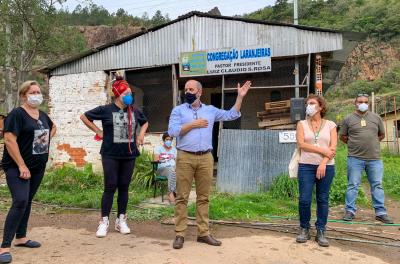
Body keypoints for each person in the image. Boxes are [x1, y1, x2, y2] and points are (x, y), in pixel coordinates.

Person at [168, 79, 251, 249]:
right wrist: (192, 124)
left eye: (191, 89)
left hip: (206, 157)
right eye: (186, 89)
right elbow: (173, 131)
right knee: (182, 197)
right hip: (185, 157)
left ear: (199, 92)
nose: (188, 92)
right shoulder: (178, 110)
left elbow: (231, 115)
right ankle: (180, 234)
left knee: (203, 197)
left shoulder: (210, 110)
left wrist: (240, 97)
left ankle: (203, 233)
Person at [80, 76, 149, 238]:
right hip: (110, 154)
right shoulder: (105, 110)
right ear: (118, 94)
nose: (130, 96)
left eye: (130, 93)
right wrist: (98, 131)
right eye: (127, 93)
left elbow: (145, 122)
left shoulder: (134, 110)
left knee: (124, 187)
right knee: (110, 186)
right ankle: (104, 221)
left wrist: (140, 135)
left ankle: (121, 220)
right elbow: (84, 117)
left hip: (129, 154)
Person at [0, 81, 56, 264]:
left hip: (37, 167)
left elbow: (52, 127)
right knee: (20, 201)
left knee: (28, 201)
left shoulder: (42, 115)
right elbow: (9, 140)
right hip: (17, 166)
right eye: (33, 92)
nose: (37, 95)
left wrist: (43, 141)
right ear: (24, 95)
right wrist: (22, 165)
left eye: (39, 92)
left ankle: (21, 237)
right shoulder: (17, 114)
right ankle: (4, 247)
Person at [340, 94, 393, 224]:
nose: (363, 104)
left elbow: (381, 135)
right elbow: (342, 136)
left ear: (368, 103)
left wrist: (371, 143)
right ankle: (350, 211)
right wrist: (354, 144)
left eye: (365, 102)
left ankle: (381, 212)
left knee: (377, 185)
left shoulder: (376, 117)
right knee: (353, 185)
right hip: (355, 158)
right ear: (355, 103)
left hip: (374, 158)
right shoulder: (348, 119)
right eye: (360, 102)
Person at [295, 94, 337, 247]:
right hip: (306, 165)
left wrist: (323, 162)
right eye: (307, 104)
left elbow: (333, 148)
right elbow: (301, 144)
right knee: (304, 199)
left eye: (312, 103)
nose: (309, 106)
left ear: (320, 106)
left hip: (326, 166)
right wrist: (322, 150)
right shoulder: (301, 124)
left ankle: (321, 230)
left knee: (323, 199)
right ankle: (304, 228)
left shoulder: (331, 125)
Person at [153, 132, 177, 204]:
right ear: (164, 140)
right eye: (167, 139)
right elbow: (155, 160)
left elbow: (177, 161)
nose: (168, 141)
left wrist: (176, 167)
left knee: (176, 171)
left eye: (170, 139)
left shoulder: (174, 150)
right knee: (171, 170)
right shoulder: (158, 149)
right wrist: (166, 158)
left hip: (173, 168)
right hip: (162, 169)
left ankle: (173, 192)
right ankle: (171, 193)